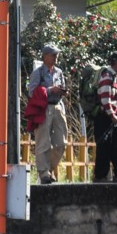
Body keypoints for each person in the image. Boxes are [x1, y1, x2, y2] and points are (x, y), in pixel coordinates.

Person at [27, 43, 68, 184]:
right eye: (53, 55)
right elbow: (32, 92)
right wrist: (50, 90)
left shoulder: (59, 72)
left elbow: (62, 87)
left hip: (58, 107)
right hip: (43, 108)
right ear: (45, 56)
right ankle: (44, 172)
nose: (56, 57)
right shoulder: (37, 73)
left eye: (57, 54)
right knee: (43, 142)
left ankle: (49, 168)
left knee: (61, 143)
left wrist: (62, 91)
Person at [93, 50, 117, 182]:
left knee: (116, 146)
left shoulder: (114, 76)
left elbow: (111, 97)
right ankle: (100, 176)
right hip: (104, 117)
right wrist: (112, 115)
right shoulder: (107, 76)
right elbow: (104, 99)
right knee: (104, 147)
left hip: (110, 117)